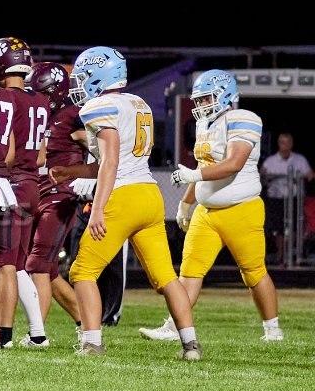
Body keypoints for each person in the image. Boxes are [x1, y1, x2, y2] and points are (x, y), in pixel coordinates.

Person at [50, 46, 200, 360]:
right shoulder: (137, 102)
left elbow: (111, 162)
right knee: (166, 277)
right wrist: (70, 171)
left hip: (122, 196)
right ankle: (191, 346)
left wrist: (98, 208)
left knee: (82, 271)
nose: (79, 84)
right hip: (148, 194)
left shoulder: (100, 106)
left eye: (83, 77)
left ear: (98, 76)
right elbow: (112, 160)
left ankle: (91, 344)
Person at [140, 70, 282, 342]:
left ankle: (272, 329)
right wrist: (185, 203)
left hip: (241, 209)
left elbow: (233, 164)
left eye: (206, 98)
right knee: (189, 271)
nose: (201, 104)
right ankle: (174, 327)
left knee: (253, 273)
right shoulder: (204, 124)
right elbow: (204, 166)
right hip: (206, 213)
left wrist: (194, 176)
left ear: (225, 95)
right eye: (199, 99)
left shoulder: (243, 119)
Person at [0, 36, 48, 349]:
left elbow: (6, 154)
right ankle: (37, 334)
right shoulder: (40, 100)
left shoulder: (6, 97)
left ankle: (3, 336)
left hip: (12, 186)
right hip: (32, 185)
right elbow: (42, 156)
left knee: (3, 264)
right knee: (18, 266)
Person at [24, 62, 86, 335]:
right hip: (36, 193)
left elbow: (103, 153)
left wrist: (90, 181)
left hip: (61, 195)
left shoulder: (72, 116)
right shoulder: (35, 115)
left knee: (37, 263)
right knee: (46, 268)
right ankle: (87, 322)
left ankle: (36, 334)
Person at [260, 132, 313, 264]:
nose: (285, 145)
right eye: (282, 142)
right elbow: (261, 176)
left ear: (291, 143)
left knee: (294, 227)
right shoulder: (270, 161)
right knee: (278, 228)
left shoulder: (299, 160)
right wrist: (267, 179)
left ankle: (292, 254)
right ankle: (281, 255)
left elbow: (310, 175)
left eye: (288, 142)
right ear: (279, 144)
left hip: (294, 199)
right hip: (276, 199)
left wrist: (301, 179)